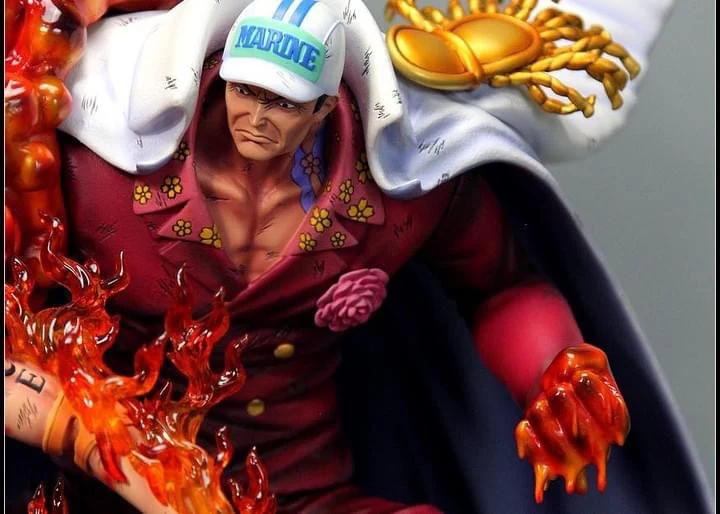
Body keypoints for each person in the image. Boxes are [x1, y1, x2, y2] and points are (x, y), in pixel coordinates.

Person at [4, 0, 712, 513]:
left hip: (302, 491)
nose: (255, 119)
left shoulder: (399, 195)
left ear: (326, 106)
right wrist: (88, 438)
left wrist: (557, 369)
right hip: (90, 480)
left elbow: (499, 284)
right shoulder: (96, 161)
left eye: (283, 103)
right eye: (243, 92)